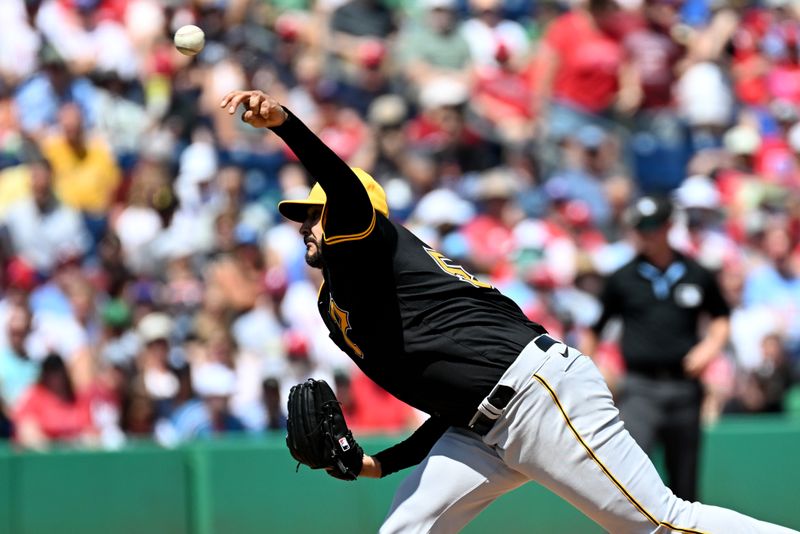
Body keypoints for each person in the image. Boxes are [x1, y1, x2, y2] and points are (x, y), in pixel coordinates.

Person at [219, 90, 798, 534]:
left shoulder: (375, 245)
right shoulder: (340, 301)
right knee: (407, 528)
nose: (305, 224)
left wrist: (287, 126)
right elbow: (449, 402)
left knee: (657, 522)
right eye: (303, 216)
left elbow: (343, 190)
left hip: (537, 395)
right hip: (482, 423)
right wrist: (374, 466)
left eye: (313, 214)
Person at [582, 195, 731, 502]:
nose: (645, 235)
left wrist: (710, 348)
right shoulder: (622, 278)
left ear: (667, 227)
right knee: (629, 480)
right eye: (639, 228)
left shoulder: (696, 273)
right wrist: (596, 371)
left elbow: (721, 317)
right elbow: (594, 331)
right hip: (639, 389)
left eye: (651, 227)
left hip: (685, 387)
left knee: (685, 485)